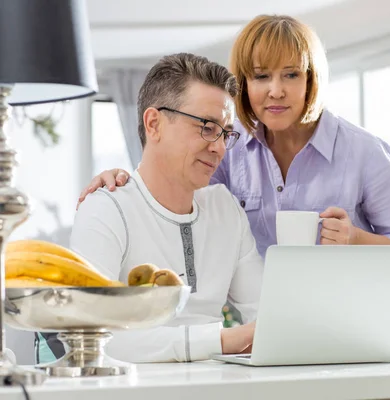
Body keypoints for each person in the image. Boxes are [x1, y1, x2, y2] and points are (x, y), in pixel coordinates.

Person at [77, 15, 390, 356]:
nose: (276, 90)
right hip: (284, 340)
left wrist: (355, 239)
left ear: (311, 80)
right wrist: (122, 184)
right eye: (261, 76)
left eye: (291, 74)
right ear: (246, 84)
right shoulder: (232, 147)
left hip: (365, 331)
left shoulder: (363, 152)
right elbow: (171, 180)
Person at [38, 53, 263, 364]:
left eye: (225, 132)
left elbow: (267, 314)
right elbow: (89, 335)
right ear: (154, 123)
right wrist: (220, 340)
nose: (219, 146)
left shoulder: (225, 209)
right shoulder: (107, 208)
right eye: (207, 127)